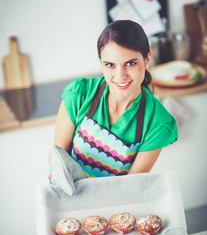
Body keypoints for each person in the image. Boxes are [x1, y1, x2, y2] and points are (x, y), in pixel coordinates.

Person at [52, 20, 178, 178]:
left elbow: (132, 184)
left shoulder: (157, 122)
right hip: (66, 195)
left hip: (117, 201)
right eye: (110, 65)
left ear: (147, 59)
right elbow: (57, 160)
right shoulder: (79, 95)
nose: (120, 76)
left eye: (130, 63)